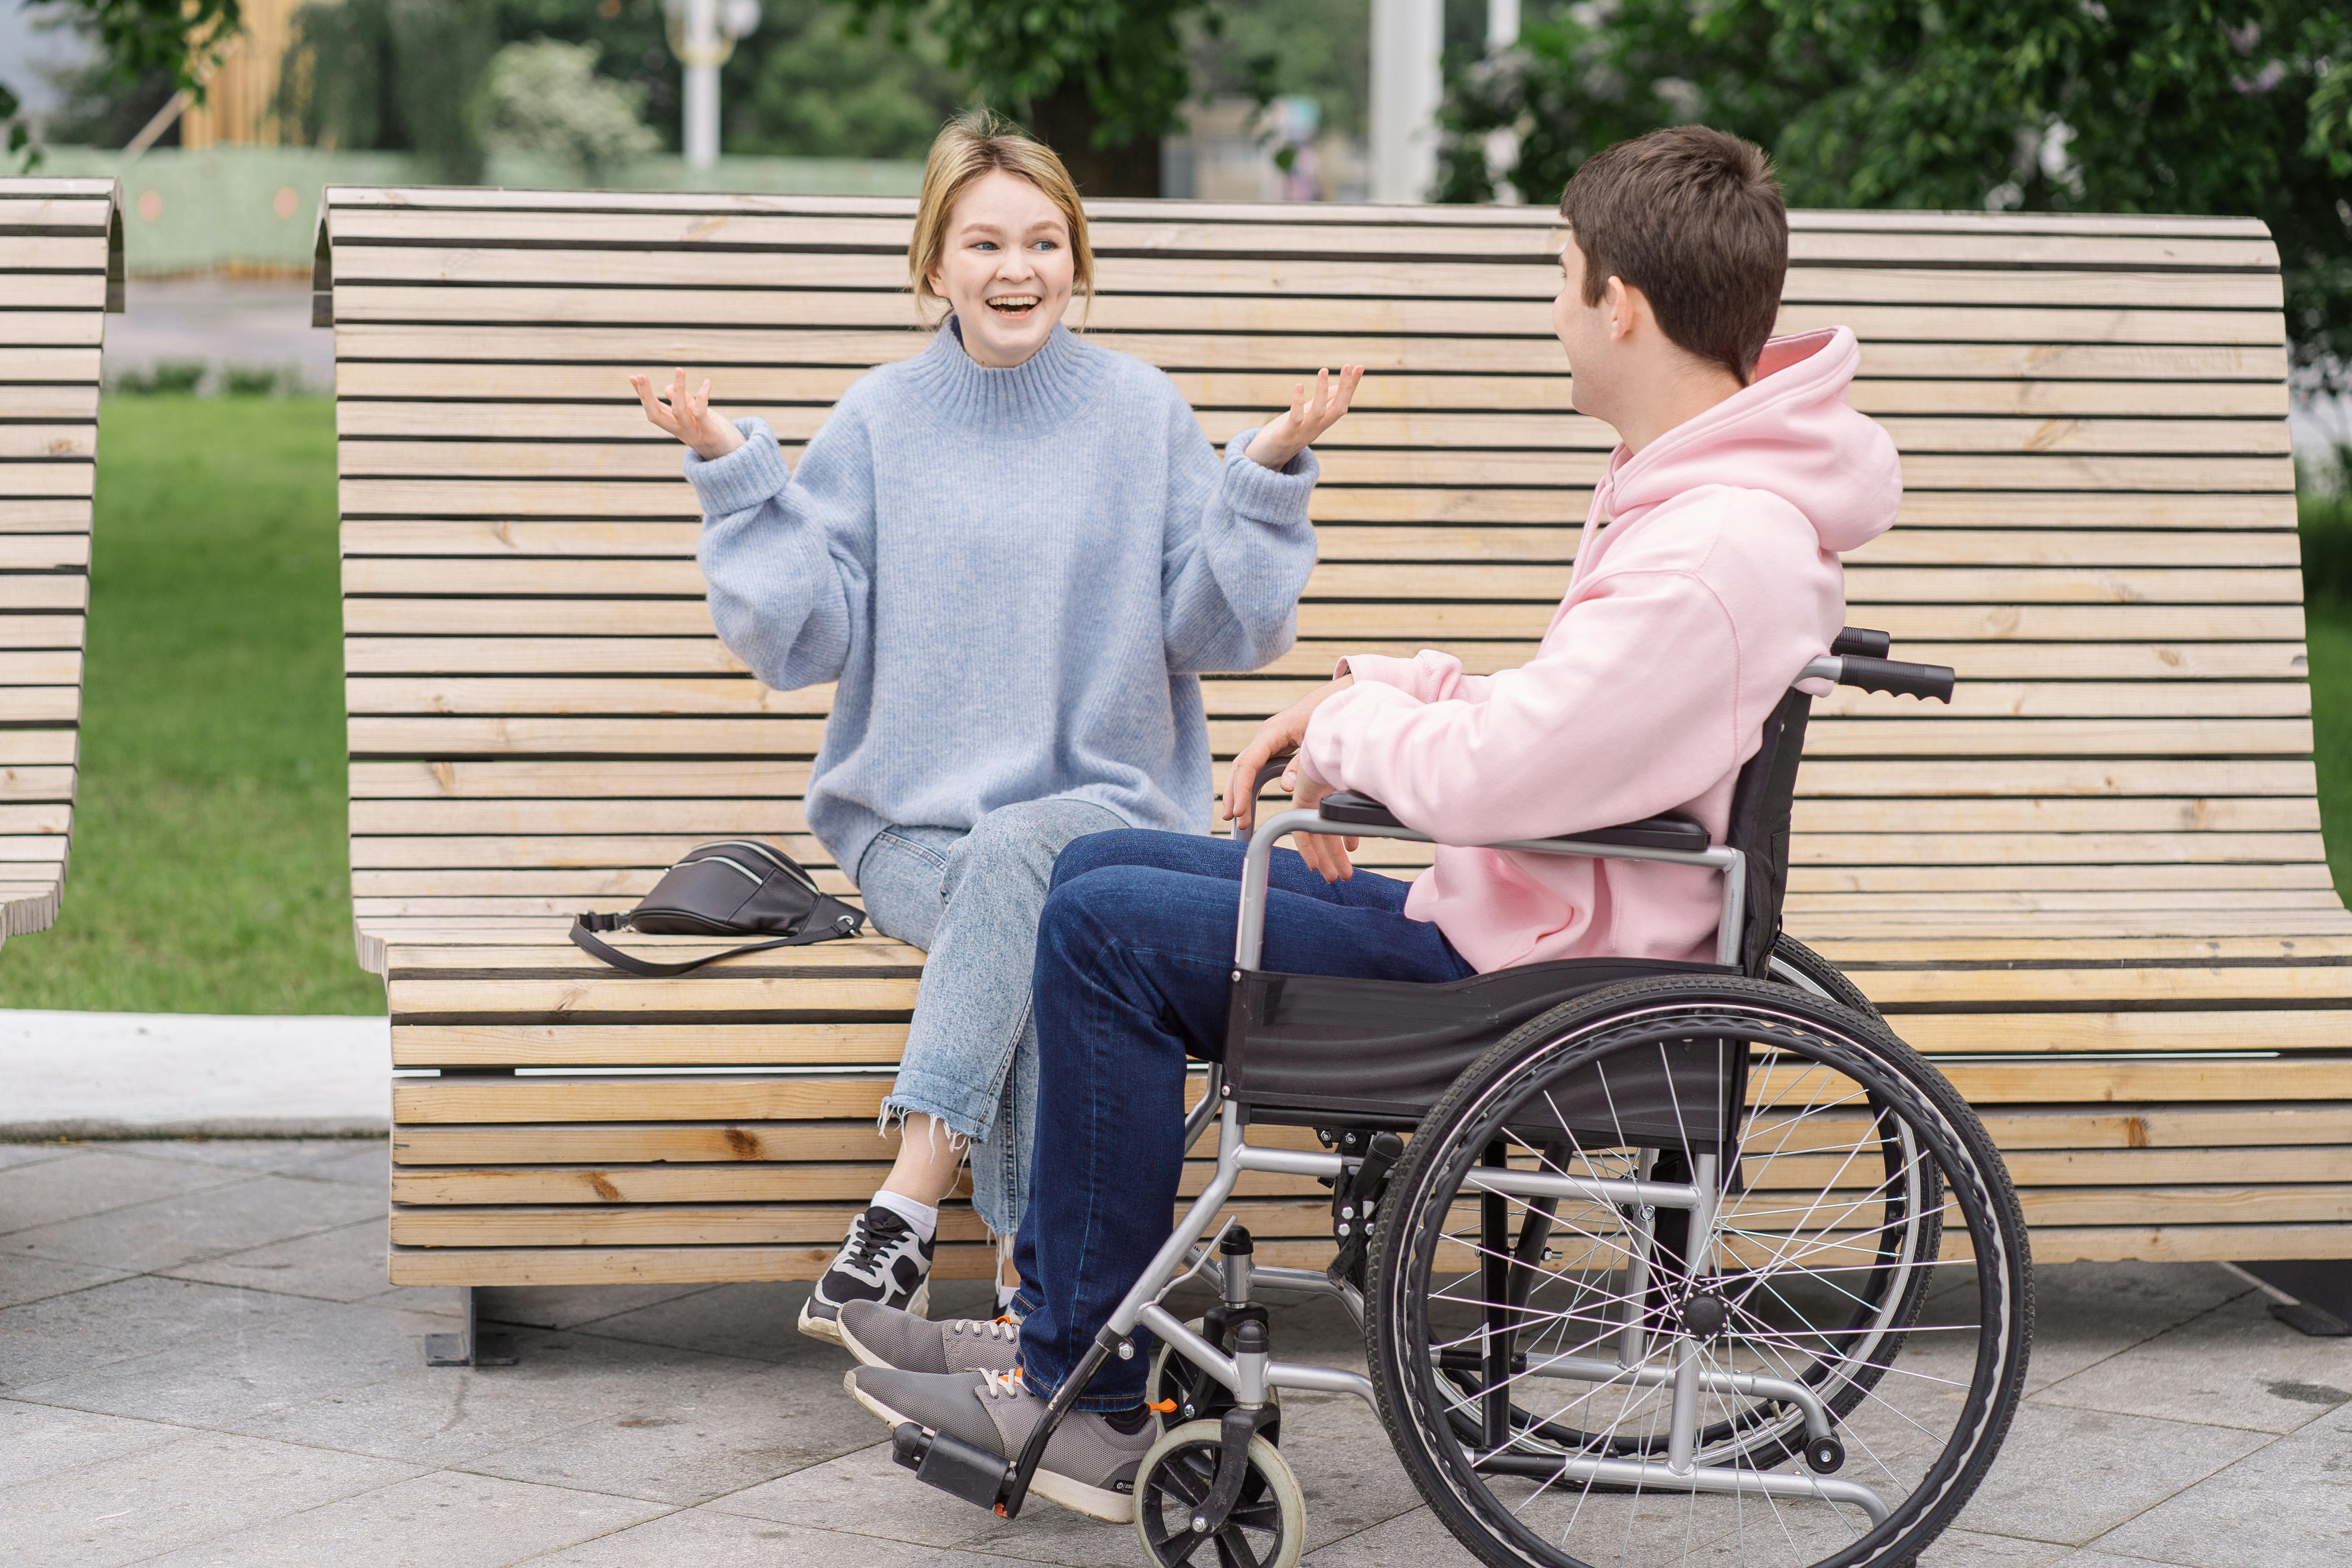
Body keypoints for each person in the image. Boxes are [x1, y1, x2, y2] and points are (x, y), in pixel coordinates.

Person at [831, 124, 1905, 1522]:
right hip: (1530, 910)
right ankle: (1076, 1332)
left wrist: (1349, 738)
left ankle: (1078, 1391)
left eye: (1562, 278)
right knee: (1094, 864)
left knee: (1096, 925)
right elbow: (1576, 721)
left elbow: (1510, 769)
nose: (1558, 308)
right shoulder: (1705, 502)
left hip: (1529, 972)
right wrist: (1381, 696)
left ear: (1621, 307)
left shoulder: (1710, 545)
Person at [630, 111, 1363, 1344]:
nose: (1015, 268)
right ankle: (1040, 1288)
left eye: (1042, 240)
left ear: (1077, 259)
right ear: (934, 267)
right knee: (1024, 886)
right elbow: (800, 639)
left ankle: (910, 1216)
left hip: (1111, 818)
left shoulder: (1139, 413)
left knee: (1037, 866)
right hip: (911, 836)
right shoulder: (877, 421)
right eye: (982, 243)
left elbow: (1218, 631)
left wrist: (1266, 474)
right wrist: (736, 475)